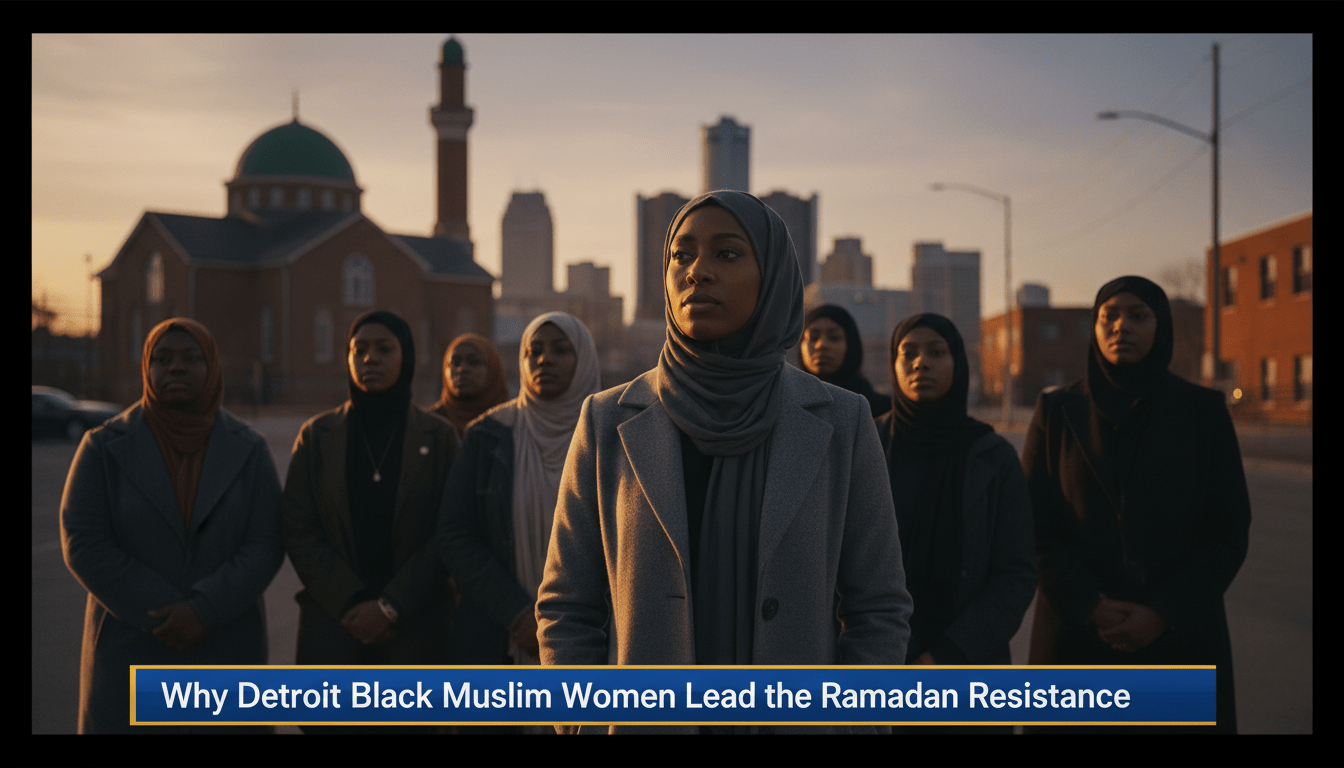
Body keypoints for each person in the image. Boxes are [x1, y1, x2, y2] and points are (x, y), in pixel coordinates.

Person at [535, 191, 912, 734]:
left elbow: (878, 607)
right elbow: (565, 606)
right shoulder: (608, 422)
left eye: (727, 254)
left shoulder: (842, 422)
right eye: (680, 256)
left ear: (773, 277)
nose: (698, 273)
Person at [1024, 276, 1250, 733]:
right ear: (1094, 326)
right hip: (1077, 638)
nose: (1121, 326)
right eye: (1109, 316)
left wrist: (1162, 613)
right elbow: (1031, 523)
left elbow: (1226, 530)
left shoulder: (1202, 412)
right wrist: (1089, 603)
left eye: (1138, 315)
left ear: (1160, 325)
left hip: (1178, 639)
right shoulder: (1057, 412)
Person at [60, 317, 283, 733]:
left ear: (211, 365)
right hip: (133, 647)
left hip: (225, 647)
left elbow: (266, 542)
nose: (175, 367)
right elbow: (83, 541)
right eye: (162, 359)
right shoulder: (103, 446)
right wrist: (165, 613)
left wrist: (203, 610)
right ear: (146, 368)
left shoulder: (249, 450)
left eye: (190, 357)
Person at [282, 310, 458, 732]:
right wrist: (352, 601)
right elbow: (299, 528)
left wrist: (391, 606)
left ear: (408, 358)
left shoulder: (439, 436)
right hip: (336, 628)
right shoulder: (316, 436)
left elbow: (450, 532)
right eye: (358, 350)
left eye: (384, 349)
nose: (370, 359)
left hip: (415, 630)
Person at [878, 313, 1036, 734]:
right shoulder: (867, 447)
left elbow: (1015, 572)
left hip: (969, 670)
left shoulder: (993, 455)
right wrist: (896, 654)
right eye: (907, 353)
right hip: (880, 666)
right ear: (893, 365)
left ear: (958, 364)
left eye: (936, 352)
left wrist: (946, 655)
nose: (920, 363)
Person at [438, 312, 601, 669]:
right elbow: (456, 535)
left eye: (560, 349)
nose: (545, 359)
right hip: (500, 637)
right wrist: (519, 614)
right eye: (534, 351)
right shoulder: (488, 435)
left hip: (595, 637)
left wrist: (572, 623)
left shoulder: (614, 434)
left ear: (585, 358)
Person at [800, 304, 891, 417]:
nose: (821, 345)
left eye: (834, 337)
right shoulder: (786, 403)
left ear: (851, 345)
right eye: (813, 338)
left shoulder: (878, 410)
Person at [432, 333, 510, 439]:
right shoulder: (426, 425)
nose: (462, 369)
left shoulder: (513, 424)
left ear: (493, 369)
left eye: (474, 362)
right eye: (455, 362)